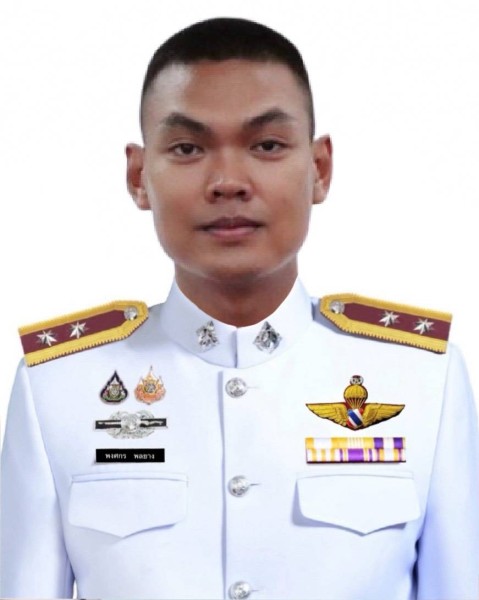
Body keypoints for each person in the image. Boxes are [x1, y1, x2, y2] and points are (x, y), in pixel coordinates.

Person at [1, 17, 478, 600]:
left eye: (267, 145)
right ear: (139, 176)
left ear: (319, 169)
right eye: (188, 148)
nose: (228, 181)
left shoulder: (423, 380)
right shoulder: (57, 387)